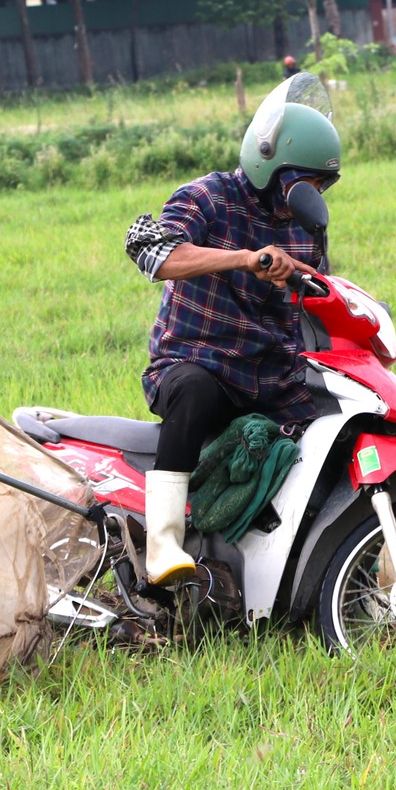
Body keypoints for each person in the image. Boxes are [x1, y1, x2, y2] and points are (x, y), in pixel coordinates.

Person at [123, 74, 340, 585]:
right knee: (194, 389)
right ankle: (163, 545)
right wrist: (246, 259)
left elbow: (324, 299)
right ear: (271, 165)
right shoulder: (209, 197)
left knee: (339, 430)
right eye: (307, 184)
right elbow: (156, 253)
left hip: (274, 377)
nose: (313, 196)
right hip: (200, 363)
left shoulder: (303, 230)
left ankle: (331, 566)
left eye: (323, 187)